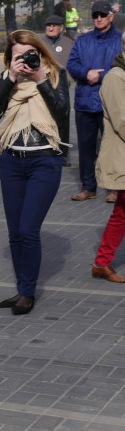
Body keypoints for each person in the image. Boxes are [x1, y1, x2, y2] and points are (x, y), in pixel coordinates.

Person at [0, 31, 69, 315]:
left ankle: (27, 293)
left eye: (28, 55)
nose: (24, 61)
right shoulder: (9, 80)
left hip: (44, 162)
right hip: (12, 162)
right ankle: (22, 289)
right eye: (18, 56)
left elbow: (62, 112)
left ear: (40, 53)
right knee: (14, 233)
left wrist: (40, 79)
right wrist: (9, 78)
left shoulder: (54, 76)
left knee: (28, 230)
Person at [67, 0, 124, 202]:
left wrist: (100, 76)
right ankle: (88, 187)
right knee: (86, 147)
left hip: (111, 102)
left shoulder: (120, 39)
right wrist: (86, 72)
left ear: (111, 16)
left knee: (112, 147)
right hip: (85, 101)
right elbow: (71, 64)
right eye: (95, 15)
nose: (98, 19)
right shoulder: (82, 40)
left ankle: (114, 188)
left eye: (102, 15)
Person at [92, 42, 125, 282]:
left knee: (122, 211)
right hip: (121, 155)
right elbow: (121, 120)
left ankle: (101, 262)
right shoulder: (116, 77)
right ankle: (101, 262)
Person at [41, 15, 74, 166]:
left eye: (54, 25)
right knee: (43, 119)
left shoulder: (69, 44)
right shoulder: (39, 42)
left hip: (61, 88)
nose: (51, 28)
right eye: (48, 25)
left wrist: (67, 81)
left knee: (62, 120)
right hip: (42, 87)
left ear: (61, 28)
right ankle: (43, 150)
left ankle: (62, 154)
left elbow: (73, 65)